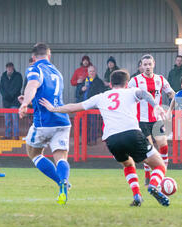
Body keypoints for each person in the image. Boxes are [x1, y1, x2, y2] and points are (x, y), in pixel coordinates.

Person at [39, 69, 170, 207]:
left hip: (111, 139)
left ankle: (137, 194)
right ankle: (153, 186)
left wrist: (54, 108)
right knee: (159, 165)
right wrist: (156, 106)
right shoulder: (131, 91)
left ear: (111, 84)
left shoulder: (101, 96)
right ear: (127, 83)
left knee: (128, 164)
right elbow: (144, 94)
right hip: (131, 133)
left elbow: (74, 107)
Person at [19, 43, 72, 205]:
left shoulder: (35, 68)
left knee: (34, 153)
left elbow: (33, 85)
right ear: (49, 56)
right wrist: (30, 100)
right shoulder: (57, 72)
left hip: (44, 122)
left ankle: (60, 182)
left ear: (34, 57)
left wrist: (25, 103)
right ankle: (64, 180)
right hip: (62, 120)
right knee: (61, 157)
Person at [128, 54, 175, 186]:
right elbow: (126, 96)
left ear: (154, 64)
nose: (148, 67)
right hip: (141, 120)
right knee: (149, 149)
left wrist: (170, 110)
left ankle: (162, 174)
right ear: (141, 66)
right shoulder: (135, 81)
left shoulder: (160, 79)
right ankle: (148, 175)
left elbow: (172, 94)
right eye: (145, 64)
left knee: (163, 146)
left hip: (156, 119)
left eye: (150, 64)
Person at [80, 65, 108, 145]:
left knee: (93, 123)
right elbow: (78, 92)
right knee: (84, 123)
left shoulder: (99, 81)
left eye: (93, 71)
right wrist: (82, 89)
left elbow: (102, 93)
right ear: (88, 72)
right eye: (90, 71)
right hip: (84, 106)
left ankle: (93, 140)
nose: (91, 73)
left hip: (93, 106)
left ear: (95, 72)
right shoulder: (84, 81)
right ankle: (85, 140)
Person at [0, 62, 22, 140]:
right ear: (6, 68)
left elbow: (18, 87)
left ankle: (16, 135)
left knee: (15, 119)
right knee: (7, 120)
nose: (9, 69)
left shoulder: (18, 76)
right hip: (6, 102)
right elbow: (1, 87)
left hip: (15, 101)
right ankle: (8, 135)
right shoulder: (3, 76)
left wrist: (10, 96)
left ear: (13, 68)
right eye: (8, 68)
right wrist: (5, 96)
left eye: (10, 67)